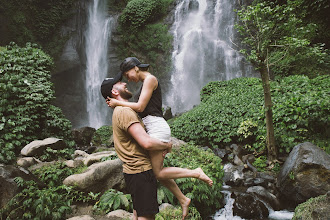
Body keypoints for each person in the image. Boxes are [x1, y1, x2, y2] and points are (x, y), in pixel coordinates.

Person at [105, 57, 213, 218]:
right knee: (158, 172)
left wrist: (118, 103)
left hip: (156, 126)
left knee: (158, 173)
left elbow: (141, 107)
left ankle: (196, 173)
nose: (128, 79)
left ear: (135, 68)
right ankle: (183, 199)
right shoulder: (144, 84)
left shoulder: (150, 79)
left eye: (127, 75)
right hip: (152, 127)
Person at [101, 75, 171, 219]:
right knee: (147, 216)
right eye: (120, 83)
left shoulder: (121, 110)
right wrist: (167, 145)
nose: (125, 83)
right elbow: (147, 143)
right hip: (141, 171)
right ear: (114, 91)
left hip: (134, 171)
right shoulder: (125, 112)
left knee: (139, 213)